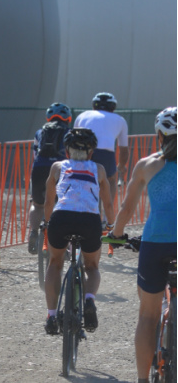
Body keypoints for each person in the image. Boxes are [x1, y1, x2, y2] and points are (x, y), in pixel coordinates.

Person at [107, 107, 176, 383]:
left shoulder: (147, 165)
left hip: (156, 244)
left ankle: (142, 380)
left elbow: (125, 209)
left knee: (148, 316)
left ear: (159, 135)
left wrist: (116, 234)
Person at [42, 128, 114, 335]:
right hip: (89, 220)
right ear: (91, 152)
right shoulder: (99, 169)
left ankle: (52, 315)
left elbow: (48, 202)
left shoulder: (57, 167)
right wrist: (110, 226)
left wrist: (47, 224)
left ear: (66, 150)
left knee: (55, 264)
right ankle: (89, 300)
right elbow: (108, 204)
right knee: (92, 266)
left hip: (61, 217)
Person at [74, 92, 129, 220]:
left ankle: (83, 213)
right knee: (110, 180)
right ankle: (106, 218)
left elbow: (73, 139)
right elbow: (124, 150)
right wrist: (121, 166)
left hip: (83, 151)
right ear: (113, 106)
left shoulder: (82, 115)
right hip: (106, 152)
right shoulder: (120, 120)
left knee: (82, 181)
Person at [27, 103, 72, 254]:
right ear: (68, 118)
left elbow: (35, 155)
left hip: (39, 169)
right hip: (60, 169)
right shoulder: (70, 133)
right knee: (63, 207)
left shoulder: (39, 132)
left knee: (38, 204)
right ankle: (62, 244)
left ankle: (33, 231)